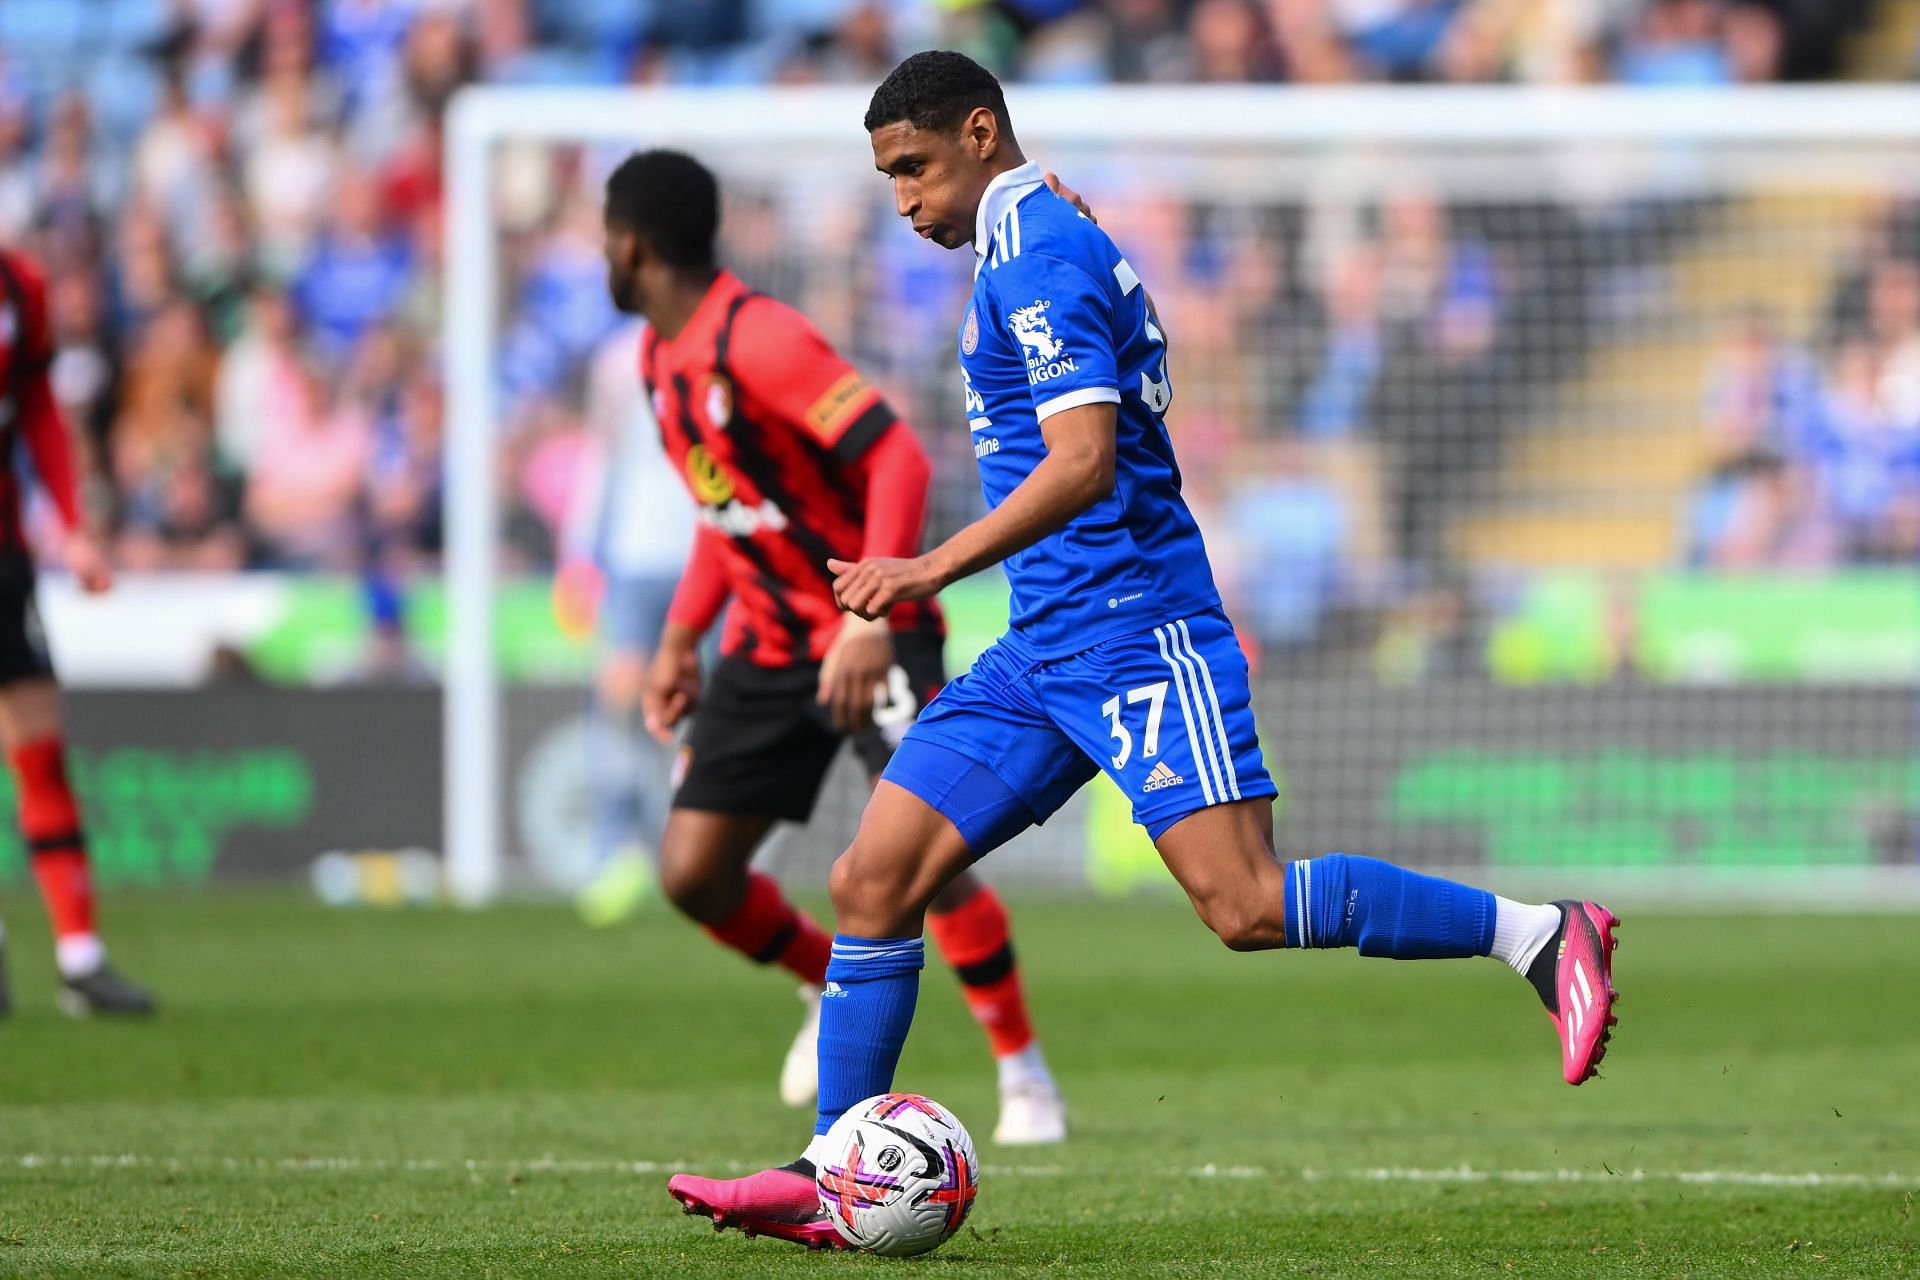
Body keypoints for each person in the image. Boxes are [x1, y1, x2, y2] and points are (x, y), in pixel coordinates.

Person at [667, 51, 1620, 1250]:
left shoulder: (1041, 254)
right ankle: (829, 1164)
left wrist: (921, 568)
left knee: (1245, 903)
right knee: (871, 876)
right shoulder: (1033, 239)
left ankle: (1536, 934)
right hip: (1044, 644)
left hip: (1134, 631)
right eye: (886, 180)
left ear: (978, 132)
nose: (902, 200)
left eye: (913, 168)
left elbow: (1084, 462)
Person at [600, 149, 1067, 1144]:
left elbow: (892, 450)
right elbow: (725, 511)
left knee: (926, 862)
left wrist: (868, 618)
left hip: (867, 631)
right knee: (693, 872)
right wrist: (682, 638)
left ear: (630, 244)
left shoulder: (756, 337)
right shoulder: (658, 359)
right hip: (769, 647)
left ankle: (1024, 1072)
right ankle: (826, 979)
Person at [0, 244, 154, 1018]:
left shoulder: (20, 283)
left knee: (39, 749)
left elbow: (35, 413)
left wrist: (70, 526)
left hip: (3, 555)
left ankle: (80, 961)